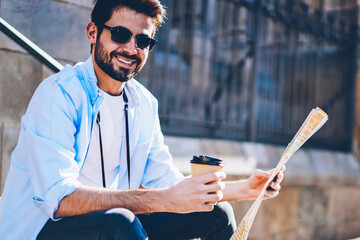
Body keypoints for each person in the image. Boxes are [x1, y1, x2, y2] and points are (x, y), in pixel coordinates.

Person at [0, 0, 285, 239]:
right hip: (39, 231)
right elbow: (59, 199)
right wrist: (163, 199)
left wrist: (245, 188)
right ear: (92, 32)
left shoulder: (143, 104)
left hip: (110, 225)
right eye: (121, 34)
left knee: (215, 214)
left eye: (143, 41)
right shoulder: (59, 95)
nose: (131, 49)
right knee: (121, 221)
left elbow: (169, 184)